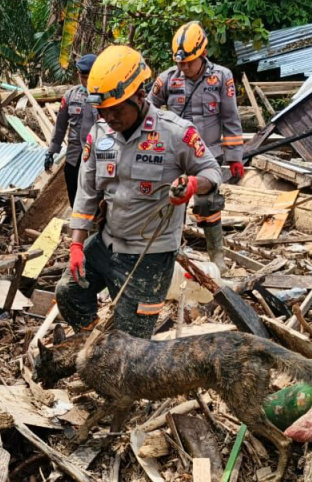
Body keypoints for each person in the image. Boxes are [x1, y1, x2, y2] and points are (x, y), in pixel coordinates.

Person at [54, 45, 222, 340]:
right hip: (107, 244)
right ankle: (96, 345)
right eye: (103, 110)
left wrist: (194, 185)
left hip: (149, 257)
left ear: (140, 95)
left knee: (131, 341)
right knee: (68, 292)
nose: (109, 117)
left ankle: (115, 354)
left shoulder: (176, 133)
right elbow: (87, 193)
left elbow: (212, 172)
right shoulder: (99, 134)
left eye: (117, 109)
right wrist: (77, 245)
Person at [150, 21, 245, 271]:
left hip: (208, 154)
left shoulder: (221, 78)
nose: (183, 67)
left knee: (207, 204)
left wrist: (235, 156)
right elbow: (147, 111)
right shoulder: (167, 80)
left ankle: (216, 255)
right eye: (179, 62)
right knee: (172, 202)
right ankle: (172, 256)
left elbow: (230, 118)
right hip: (175, 156)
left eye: (188, 62)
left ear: (202, 53)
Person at [44, 54, 98, 207]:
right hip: (75, 154)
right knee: (73, 192)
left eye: (90, 77)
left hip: (97, 155)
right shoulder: (70, 96)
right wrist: (51, 151)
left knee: (95, 195)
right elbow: (60, 126)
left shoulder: (105, 97)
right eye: (83, 77)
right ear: (78, 75)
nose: (86, 81)